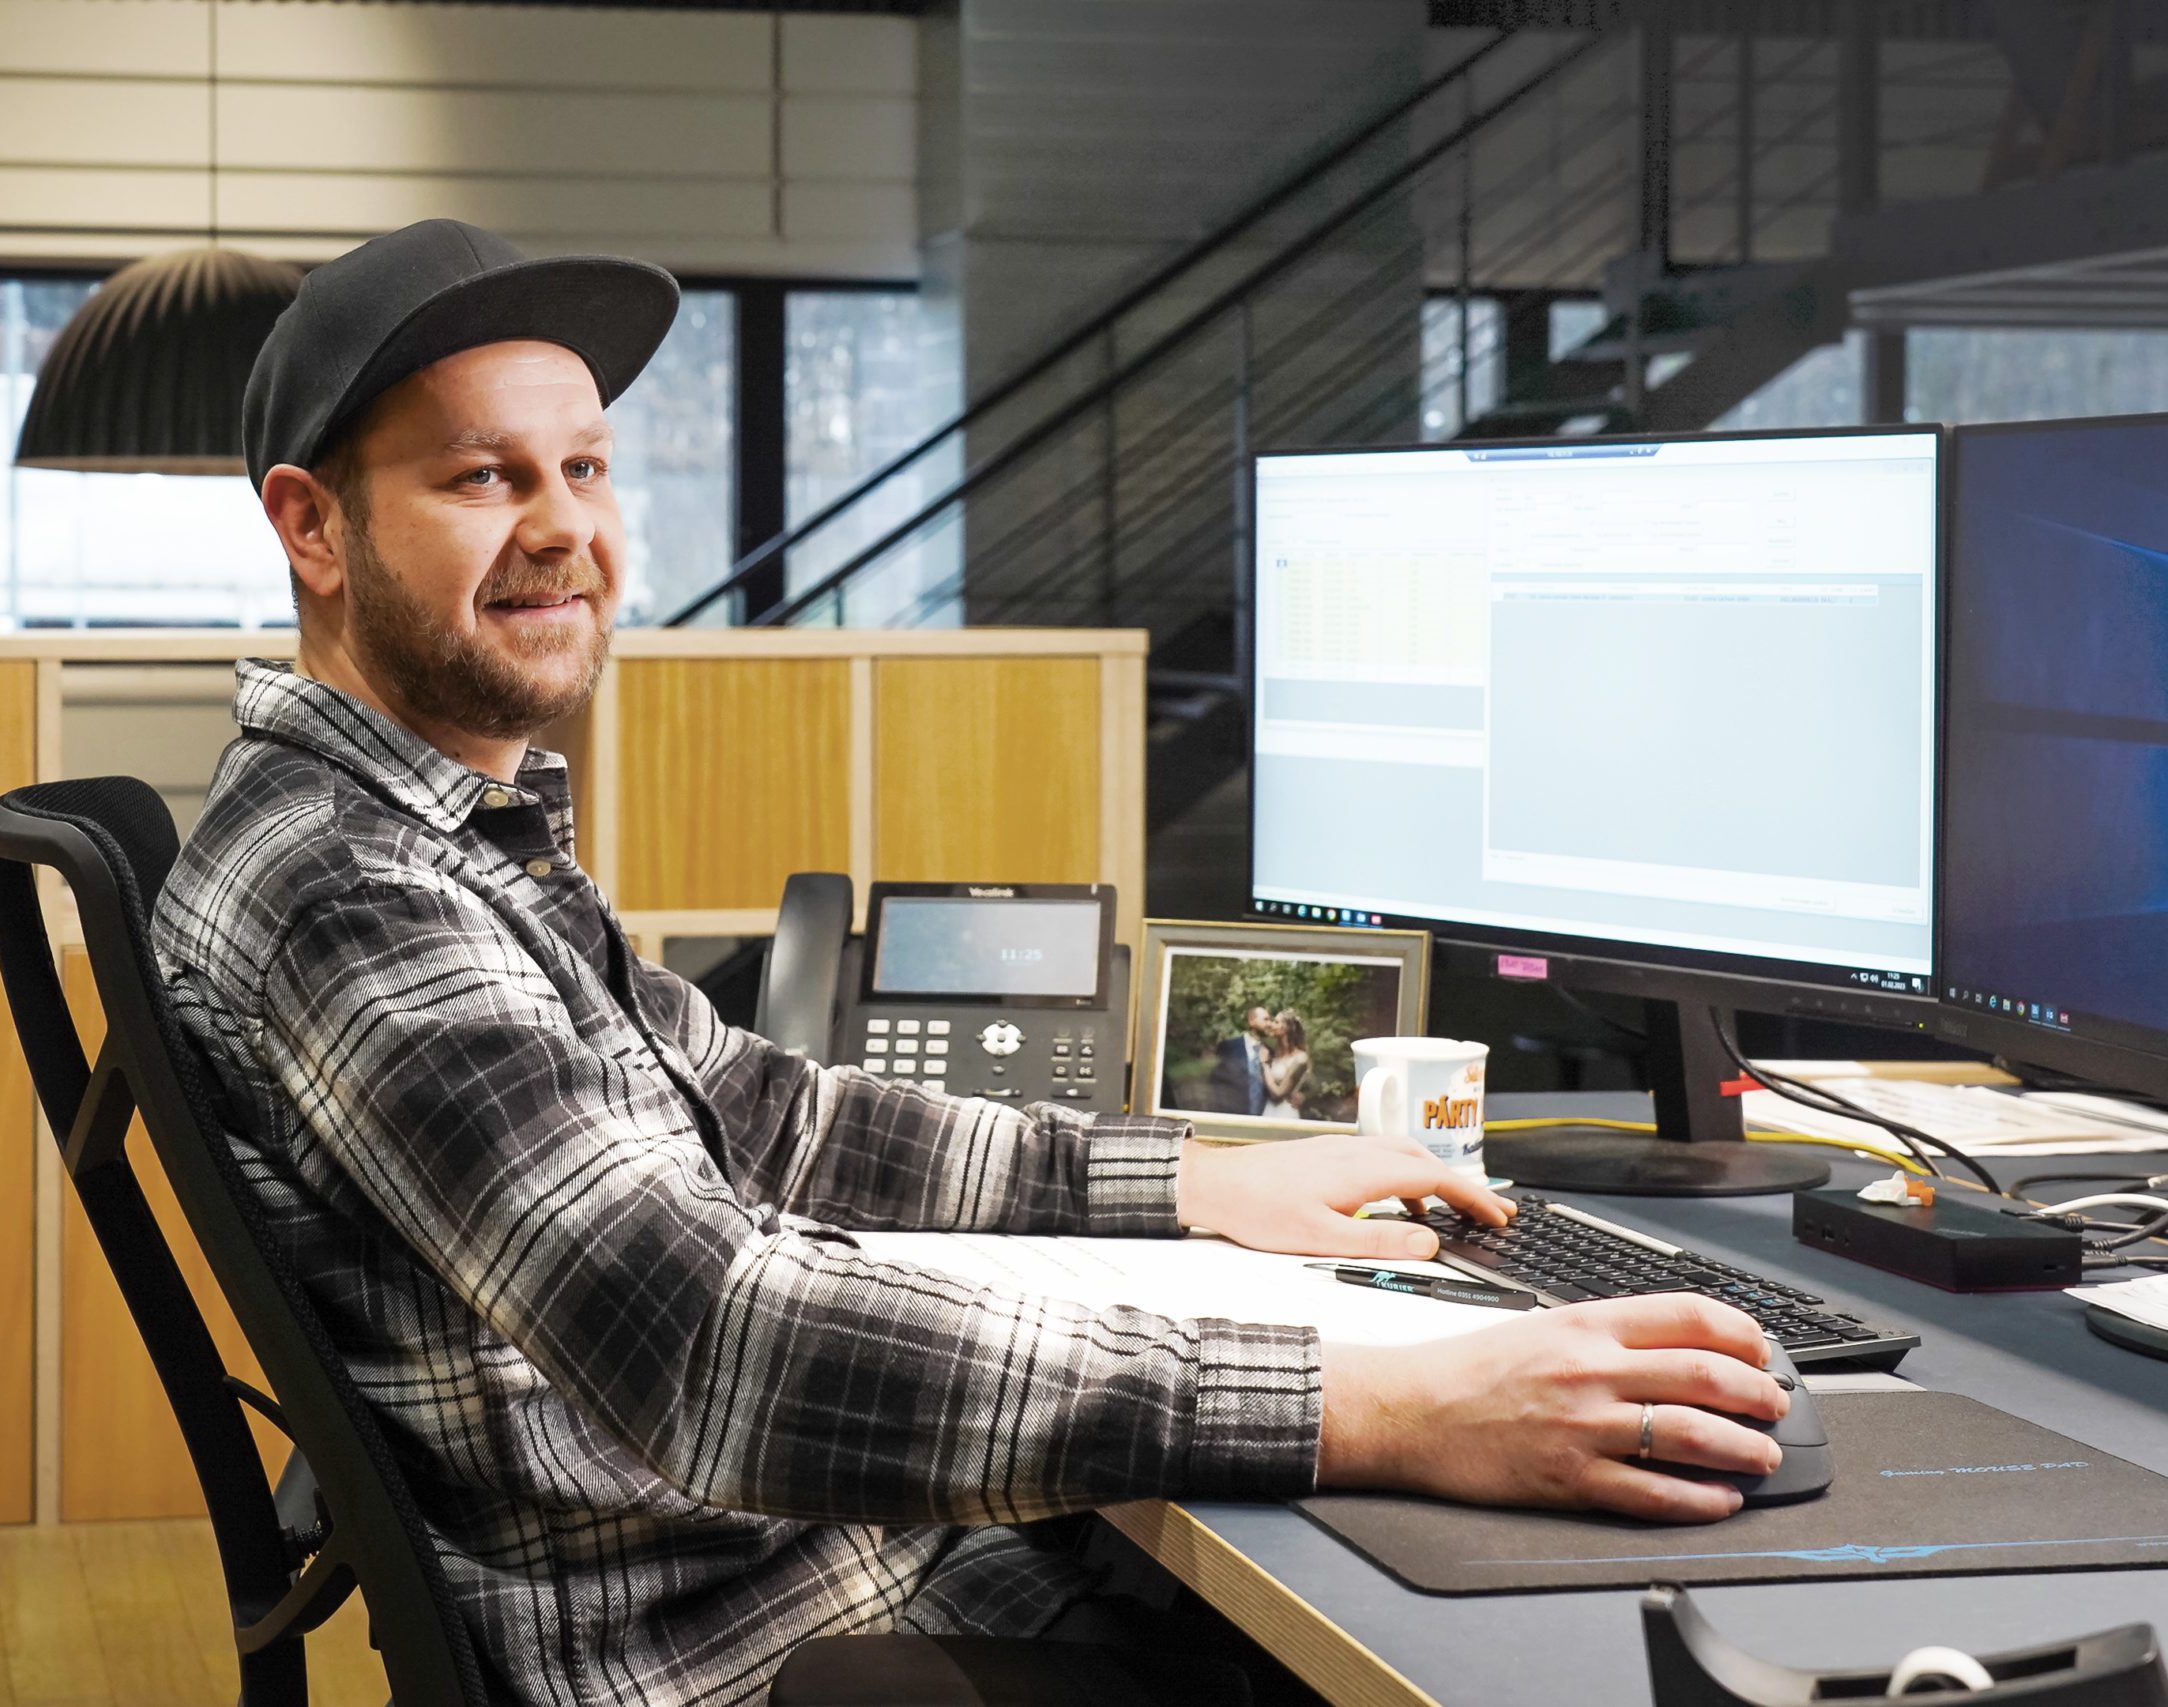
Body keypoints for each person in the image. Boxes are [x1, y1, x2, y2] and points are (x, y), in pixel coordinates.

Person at [153, 219, 1791, 1707]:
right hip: (740, 1644)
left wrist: (1188, 1181)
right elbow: (716, 1345)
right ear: (313, 526)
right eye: (484, 479)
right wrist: (1382, 1400)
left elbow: (761, 1108)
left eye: (584, 468)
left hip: (798, 1568)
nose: (567, 529)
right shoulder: (353, 888)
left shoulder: (446, 832)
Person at [1209, 1003, 1272, 1115]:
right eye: (1265, 1020)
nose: (1269, 1024)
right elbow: (1216, 1081)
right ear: (1252, 1021)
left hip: (1263, 1115)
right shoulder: (1229, 1046)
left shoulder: (1271, 1052)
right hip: (1233, 1113)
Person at [1259, 1009, 1313, 1117]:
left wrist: (1264, 1064)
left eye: (1276, 1022)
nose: (1271, 1025)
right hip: (1268, 1110)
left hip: (1285, 1112)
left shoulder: (1300, 1058)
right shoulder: (1273, 1053)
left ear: (1286, 1028)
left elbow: (1278, 1094)